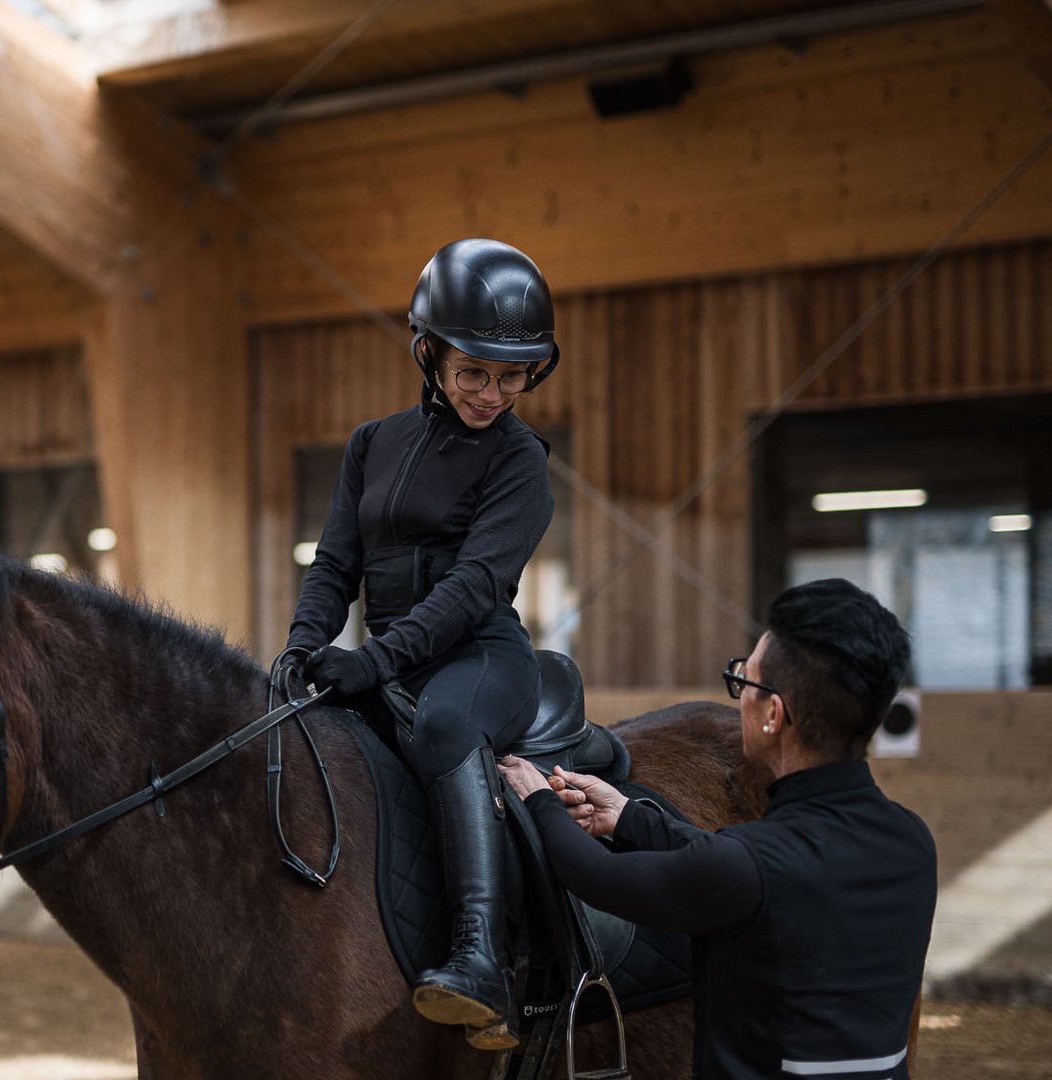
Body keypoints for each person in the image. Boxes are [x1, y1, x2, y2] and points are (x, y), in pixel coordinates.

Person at [274, 237, 558, 1050]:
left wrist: (372, 660)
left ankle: (480, 956)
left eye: (512, 376)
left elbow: (473, 589)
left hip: (478, 660)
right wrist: (303, 647)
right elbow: (336, 562)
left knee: (442, 726)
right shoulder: (372, 443)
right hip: (391, 654)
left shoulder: (520, 461)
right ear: (428, 351)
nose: (493, 393)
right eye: (474, 371)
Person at [495, 578, 937, 1079]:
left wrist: (537, 800)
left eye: (744, 681)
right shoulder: (912, 839)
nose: (740, 696)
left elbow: (596, 876)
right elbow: (732, 863)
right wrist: (628, 815)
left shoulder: (746, 865)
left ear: (773, 714)